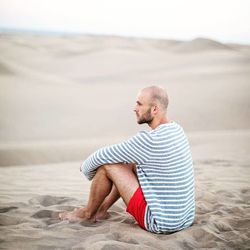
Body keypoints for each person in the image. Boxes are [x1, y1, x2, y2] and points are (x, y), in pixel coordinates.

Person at [59, 85, 195, 234]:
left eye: (139, 104)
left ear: (154, 109)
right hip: (184, 219)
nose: (135, 108)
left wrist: (85, 168)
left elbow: (103, 155)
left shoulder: (150, 140)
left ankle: (88, 214)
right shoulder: (176, 130)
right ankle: (101, 210)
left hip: (160, 222)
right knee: (128, 162)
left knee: (107, 167)